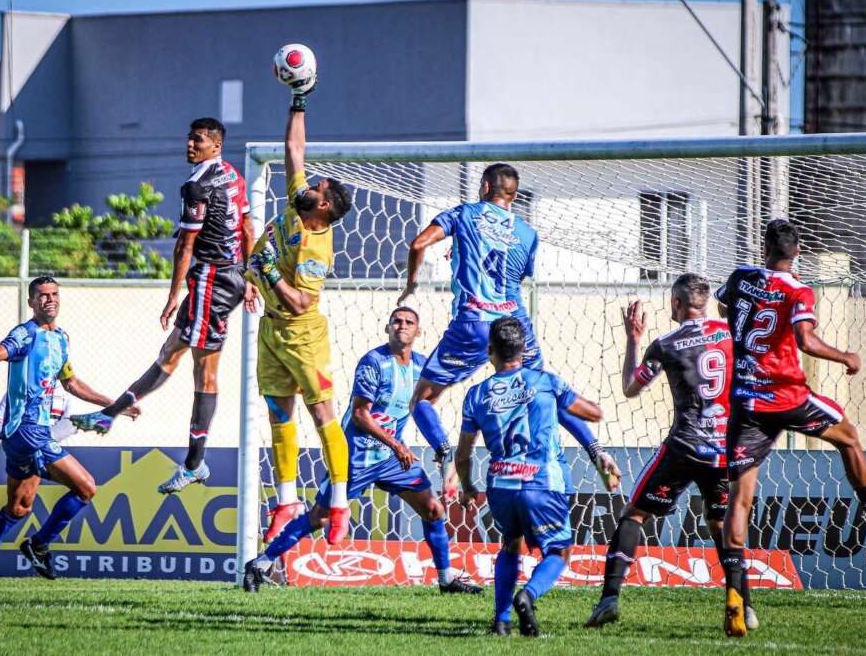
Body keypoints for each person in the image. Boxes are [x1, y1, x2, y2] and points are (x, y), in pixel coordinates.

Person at [716, 219, 866, 637]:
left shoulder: (741, 277)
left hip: (745, 402)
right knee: (849, 437)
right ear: (796, 253)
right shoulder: (798, 290)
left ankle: (734, 597)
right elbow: (805, 338)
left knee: (739, 502)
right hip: (786, 397)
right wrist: (846, 356)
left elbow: (725, 305)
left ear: (764, 247)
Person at [71, 117, 258, 494]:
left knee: (203, 374)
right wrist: (249, 278)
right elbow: (248, 228)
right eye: (189, 139)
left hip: (212, 283)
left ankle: (193, 464)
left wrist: (174, 294)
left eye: (199, 140)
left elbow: (184, 246)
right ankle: (110, 415)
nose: (191, 145)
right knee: (170, 351)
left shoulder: (197, 186)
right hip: (227, 278)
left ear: (216, 145)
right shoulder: (233, 176)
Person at [243, 306, 482, 595]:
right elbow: (360, 415)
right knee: (320, 517)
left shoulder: (422, 367)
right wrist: (396, 444)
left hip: (393, 461)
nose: (401, 326)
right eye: (396, 321)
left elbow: (424, 408)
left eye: (409, 322)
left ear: (418, 332)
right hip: (357, 457)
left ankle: (446, 579)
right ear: (387, 328)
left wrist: (441, 449)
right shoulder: (373, 363)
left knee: (433, 509)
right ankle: (261, 562)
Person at [585, 274, 755, 629]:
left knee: (635, 515)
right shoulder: (730, 336)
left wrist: (634, 340)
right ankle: (745, 607)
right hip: (725, 449)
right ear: (705, 302)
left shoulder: (667, 344)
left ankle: (610, 598)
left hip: (684, 447)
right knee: (723, 525)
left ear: (676, 304)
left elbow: (632, 387)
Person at [0, 276, 139, 593]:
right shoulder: (25, 335)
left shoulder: (62, 339)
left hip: (24, 438)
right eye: (42, 296)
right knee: (86, 487)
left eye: (54, 295)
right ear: (32, 302)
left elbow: (72, 384)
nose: (49, 300)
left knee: (19, 508)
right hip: (28, 432)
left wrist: (115, 404)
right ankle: (38, 545)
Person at [456, 317, 620, 637]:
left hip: (500, 485)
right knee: (559, 551)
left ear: (490, 350)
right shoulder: (546, 382)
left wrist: (467, 487)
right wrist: (597, 451)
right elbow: (585, 414)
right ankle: (528, 595)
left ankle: (501, 622)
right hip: (542, 481)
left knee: (510, 545)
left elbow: (462, 455)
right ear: (525, 349)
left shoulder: (475, 395)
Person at [246, 77, 355, 545]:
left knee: (323, 415)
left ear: (324, 204)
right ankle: (286, 499)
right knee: (278, 414)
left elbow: (302, 300)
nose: (311, 182)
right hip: (271, 330)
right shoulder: (297, 200)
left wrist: (268, 272)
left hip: (302, 331)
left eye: (319, 185)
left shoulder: (316, 245)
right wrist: (299, 99)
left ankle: (339, 505)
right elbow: (295, 149)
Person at [397, 163, 542, 493]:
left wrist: (411, 285)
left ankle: (446, 453)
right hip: (515, 324)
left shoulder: (464, 214)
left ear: (486, 189)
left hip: (473, 323)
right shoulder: (528, 233)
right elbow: (512, 277)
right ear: (515, 196)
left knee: (422, 398)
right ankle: (531, 462)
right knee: (537, 392)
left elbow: (419, 245)